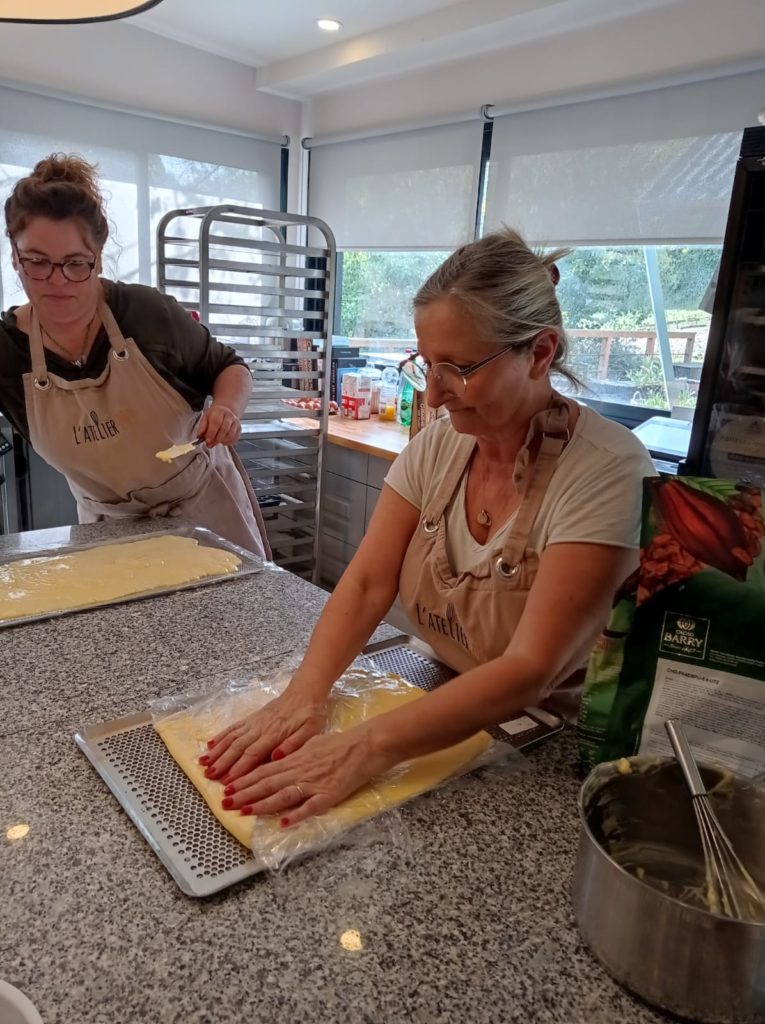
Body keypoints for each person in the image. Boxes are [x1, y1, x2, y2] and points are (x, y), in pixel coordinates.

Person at [201, 228, 655, 823]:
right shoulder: (440, 446)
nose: (436, 395)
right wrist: (305, 694)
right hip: (434, 697)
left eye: (459, 369)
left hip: (548, 750)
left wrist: (364, 747)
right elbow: (366, 584)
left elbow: (528, 670)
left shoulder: (607, 471)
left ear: (540, 353)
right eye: (427, 365)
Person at [0, 153, 268, 557]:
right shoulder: (7, 354)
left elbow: (229, 366)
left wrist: (227, 409)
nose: (56, 281)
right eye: (36, 262)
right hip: (109, 530)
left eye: (75, 263)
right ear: (14, 253)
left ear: (99, 252)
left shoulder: (148, 315)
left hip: (205, 511)